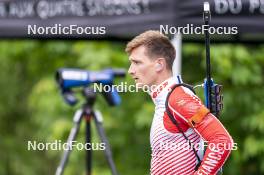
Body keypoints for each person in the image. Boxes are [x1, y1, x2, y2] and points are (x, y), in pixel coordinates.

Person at [125, 30, 234, 175]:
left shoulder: (177, 98)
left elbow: (221, 141)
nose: (130, 70)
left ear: (159, 64)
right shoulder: (165, 98)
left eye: (137, 63)